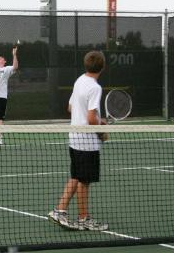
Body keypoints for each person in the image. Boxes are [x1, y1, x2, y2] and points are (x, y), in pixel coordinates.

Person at [48, 50, 109, 231]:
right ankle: (83, 218)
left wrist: (99, 120)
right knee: (84, 181)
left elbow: (70, 107)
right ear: (102, 67)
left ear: (86, 65)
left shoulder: (80, 80)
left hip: (74, 139)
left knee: (77, 176)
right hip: (87, 142)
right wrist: (101, 129)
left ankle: (60, 211)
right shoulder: (95, 87)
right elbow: (91, 119)